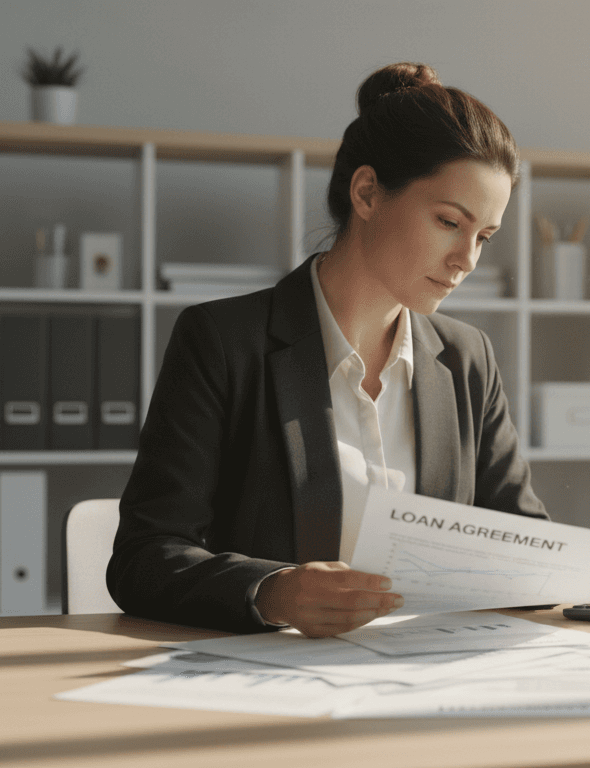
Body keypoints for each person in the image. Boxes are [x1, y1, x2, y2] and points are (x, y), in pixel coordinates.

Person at [107, 62, 546, 638]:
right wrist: (272, 591)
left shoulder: (467, 358)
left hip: (430, 673)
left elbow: (524, 541)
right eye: (448, 222)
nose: (467, 259)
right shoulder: (223, 341)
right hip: (278, 682)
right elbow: (144, 556)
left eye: (483, 237)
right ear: (366, 193)